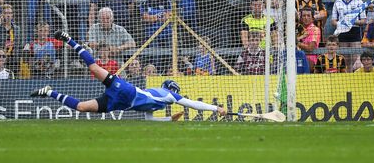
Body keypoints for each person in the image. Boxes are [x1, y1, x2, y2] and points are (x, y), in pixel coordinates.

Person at [31, 30, 227, 120]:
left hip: (120, 103)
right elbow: (193, 103)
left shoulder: (158, 103)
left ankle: (49, 92)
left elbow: (151, 120)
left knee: (82, 107)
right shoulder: (168, 96)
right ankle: (69, 39)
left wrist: (170, 120)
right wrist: (216, 108)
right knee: (93, 68)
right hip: (125, 90)